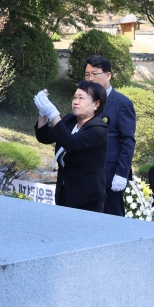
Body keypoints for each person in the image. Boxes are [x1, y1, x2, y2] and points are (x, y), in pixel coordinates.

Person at [34, 81, 108, 212]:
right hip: (64, 191)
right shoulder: (70, 120)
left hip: (87, 197)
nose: (75, 101)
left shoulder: (99, 129)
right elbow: (44, 137)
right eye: (74, 97)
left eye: (81, 98)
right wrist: (43, 113)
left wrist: (53, 113)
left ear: (96, 104)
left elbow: (71, 142)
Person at [84, 56, 136, 216]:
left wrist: (121, 173)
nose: (90, 79)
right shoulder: (84, 101)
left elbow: (128, 141)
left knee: (112, 220)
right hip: (87, 173)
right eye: (87, 75)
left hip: (110, 174)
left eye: (95, 74)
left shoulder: (122, 103)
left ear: (108, 75)